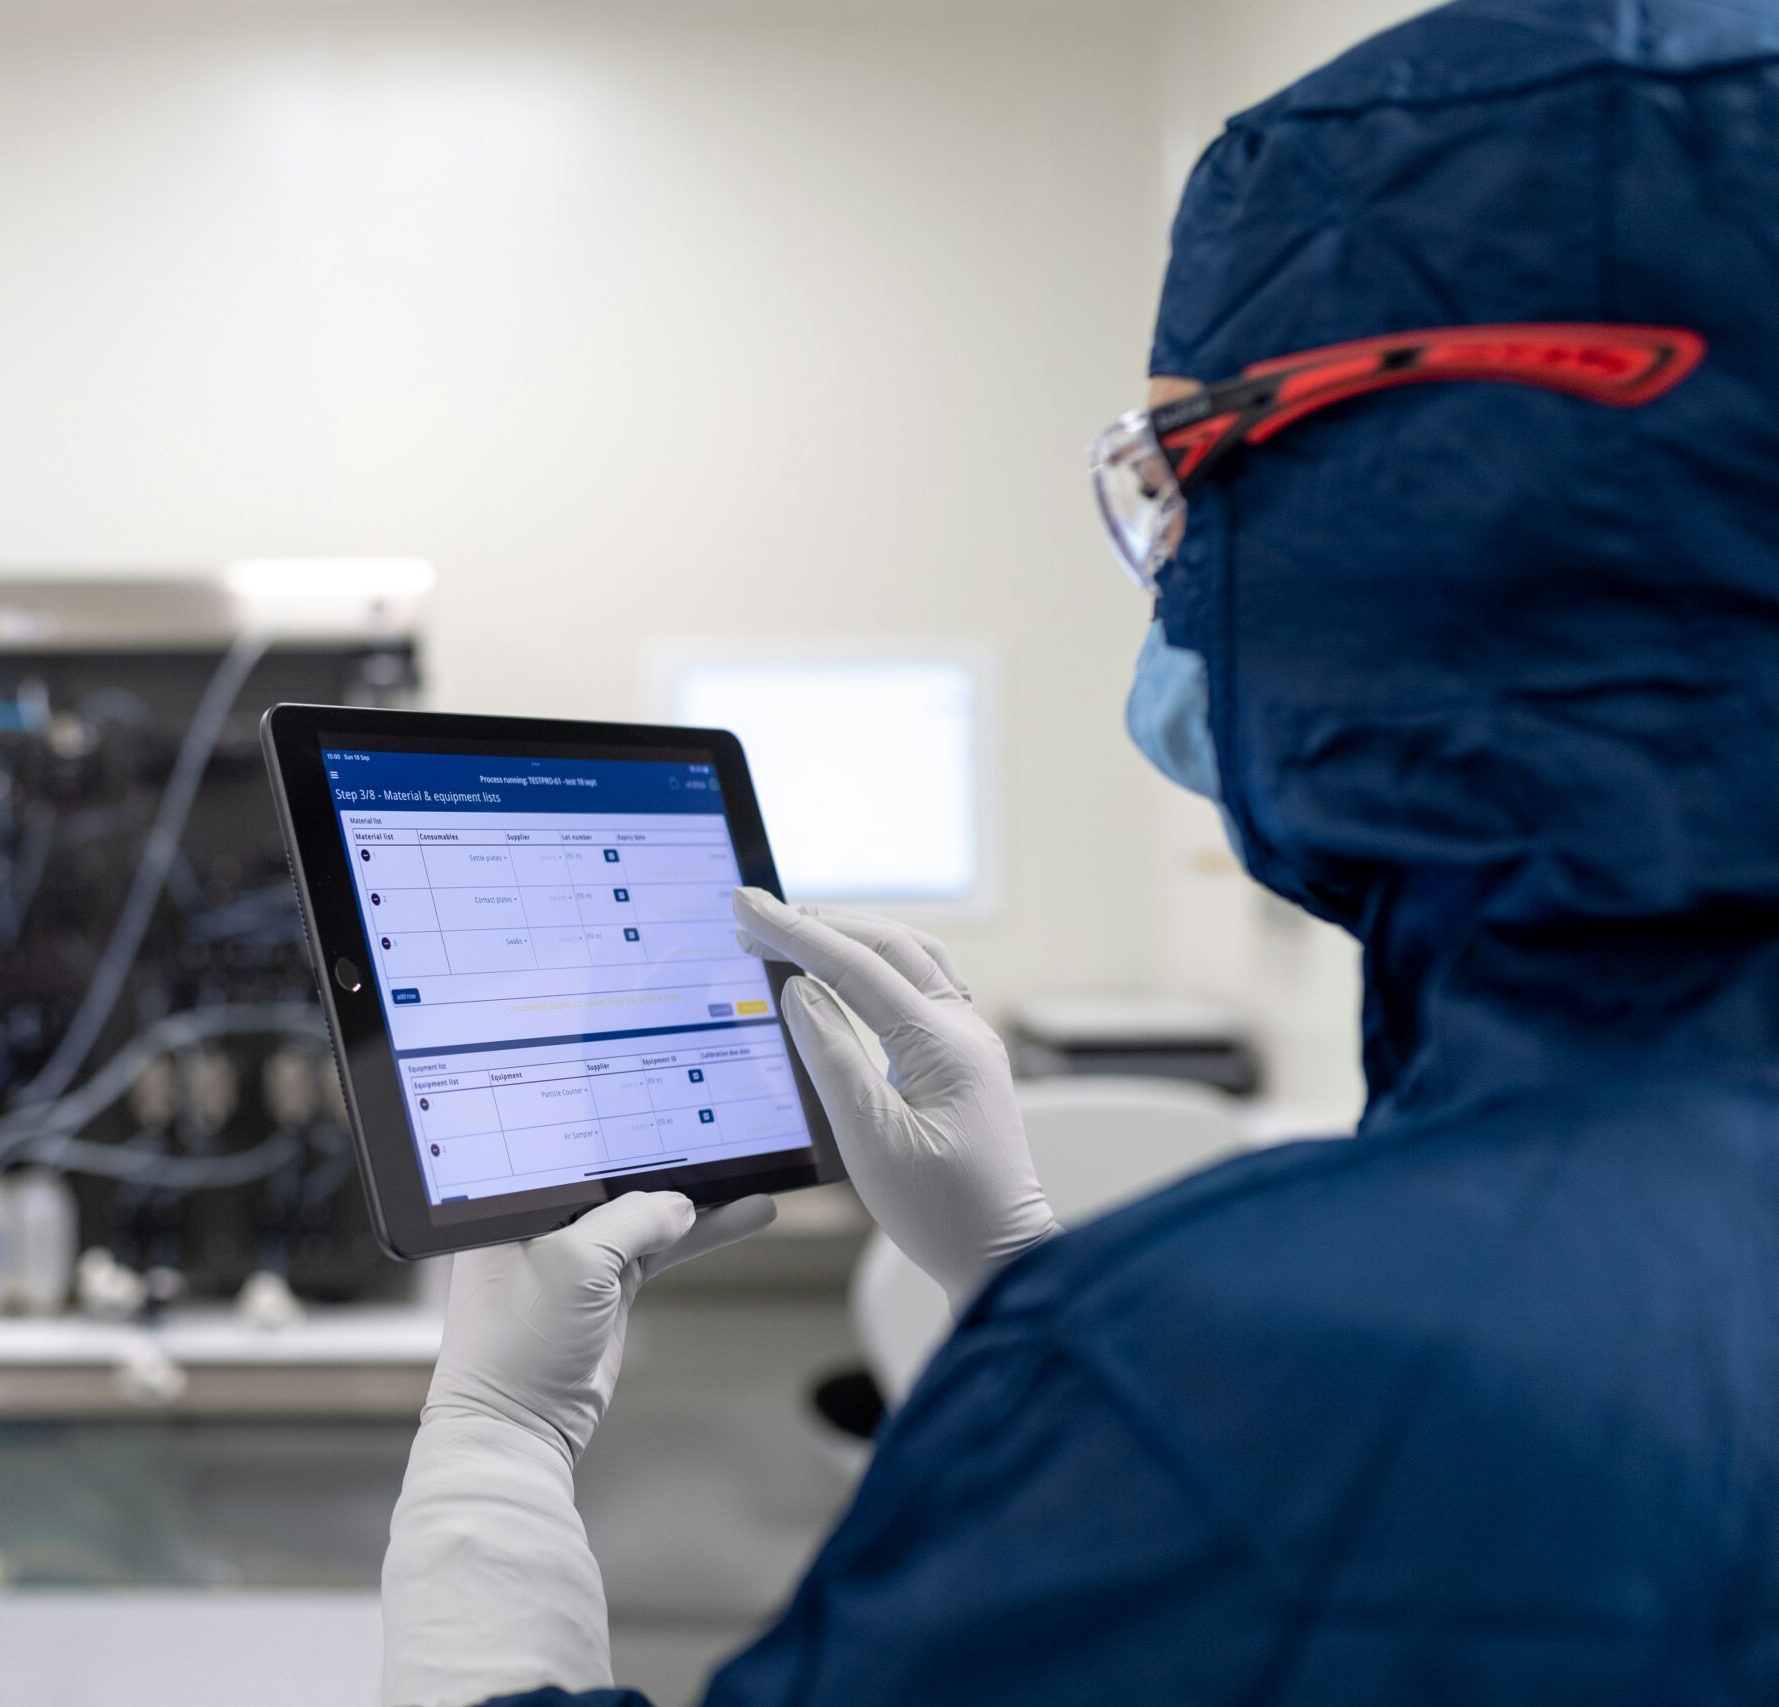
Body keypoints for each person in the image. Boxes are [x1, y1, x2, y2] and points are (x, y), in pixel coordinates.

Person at [377, 2, 1779, 1701]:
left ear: (1439, 495)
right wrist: (1022, 1286)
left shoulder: (1266, 1378)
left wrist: (497, 1443)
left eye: (1182, 476)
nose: (1169, 566)